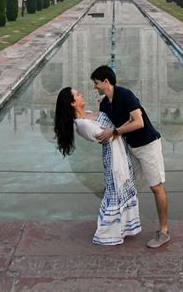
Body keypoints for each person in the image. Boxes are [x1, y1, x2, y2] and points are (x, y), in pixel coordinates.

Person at [91, 65, 170, 249]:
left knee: (156, 187)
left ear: (106, 81)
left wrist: (115, 132)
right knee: (121, 183)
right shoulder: (104, 104)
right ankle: (123, 225)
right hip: (131, 148)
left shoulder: (126, 95)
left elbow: (139, 122)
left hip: (148, 145)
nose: (95, 87)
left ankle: (164, 231)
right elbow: (98, 120)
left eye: (96, 83)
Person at [54, 86, 141, 246]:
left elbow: (110, 125)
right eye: (78, 95)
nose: (81, 95)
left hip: (118, 153)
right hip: (114, 159)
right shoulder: (82, 125)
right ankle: (106, 234)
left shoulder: (87, 115)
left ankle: (122, 228)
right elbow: (108, 135)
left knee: (119, 193)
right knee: (114, 195)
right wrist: (128, 113)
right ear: (73, 103)